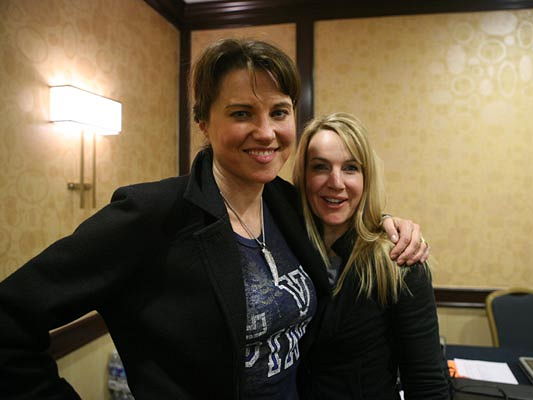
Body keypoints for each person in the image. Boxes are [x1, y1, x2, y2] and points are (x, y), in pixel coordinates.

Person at [0, 39, 427, 399]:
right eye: (242, 113)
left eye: (279, 112)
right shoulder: (152, 214)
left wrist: (390, 225)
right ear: (204, 121)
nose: (266, 132)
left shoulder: (287, 203)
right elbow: (10, 316)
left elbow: (343, 212)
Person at [293, 112, 449, 399]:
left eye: (350, 168)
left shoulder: (398, 263)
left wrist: (383, 222)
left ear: (367, 179)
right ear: (303, 176)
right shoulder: (283, 244)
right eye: (320, 167)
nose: (336, 182)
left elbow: (427, 384)